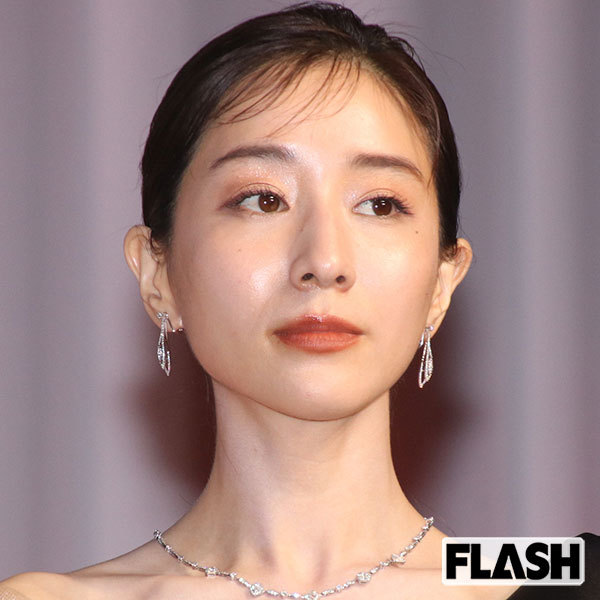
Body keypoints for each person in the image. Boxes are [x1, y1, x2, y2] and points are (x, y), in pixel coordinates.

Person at [1, 2, 597, 599]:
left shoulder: (561, 577)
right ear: (158, 272)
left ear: (442, 283)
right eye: (263, 199)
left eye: (380, 204)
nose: (325, 260)